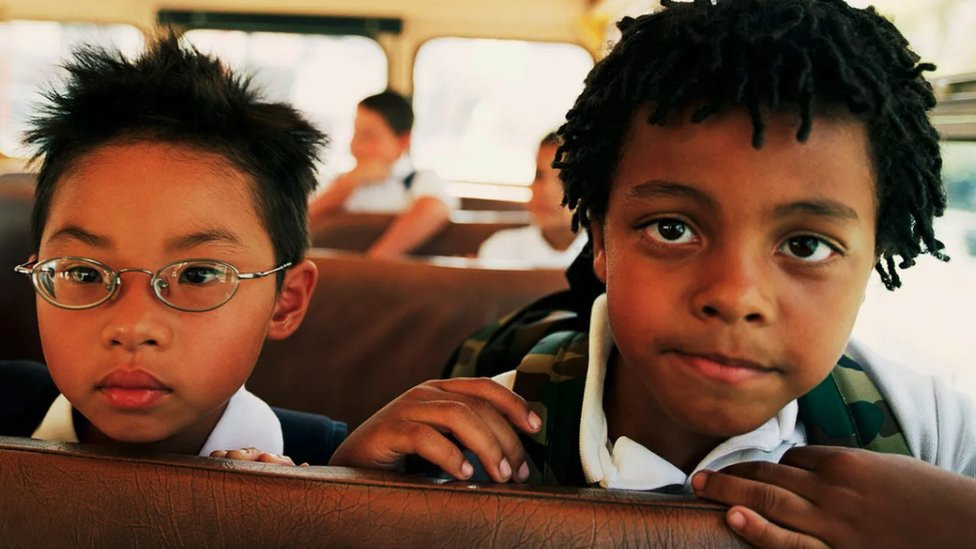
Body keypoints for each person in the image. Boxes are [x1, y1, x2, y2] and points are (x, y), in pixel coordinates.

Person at [328, 1, 976, 546]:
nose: (735, 296)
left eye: (806, 245)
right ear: (601, 240)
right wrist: (349, 499)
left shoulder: (930, 434)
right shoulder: (476, 440)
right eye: (673, 228)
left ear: (873, 262)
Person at [0, 34, 345, 466]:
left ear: (284, 301)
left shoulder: (351, 468)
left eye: (197, 275)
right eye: (85, 274)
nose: (132, 327)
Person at [307, 91, 457, 258]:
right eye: (356, 133)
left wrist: (373, 262)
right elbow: (299, 223)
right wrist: (349, 184)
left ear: (403, 141)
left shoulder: (419, 180)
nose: (355, 145)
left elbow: (434, 210)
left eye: (368, 136)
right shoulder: (340, 183)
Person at [477, 132, 586, 267]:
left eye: (564, 178)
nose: (546, 190)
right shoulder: (500, 251)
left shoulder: (608, 257)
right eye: (539, 175)